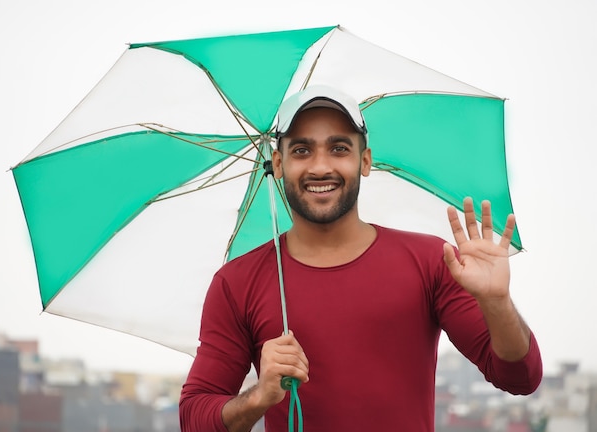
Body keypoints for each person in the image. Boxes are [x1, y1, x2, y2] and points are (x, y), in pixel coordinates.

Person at [179, 85, 542, 432]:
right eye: (302, 150)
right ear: (277, 162)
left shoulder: (432, 261)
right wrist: (258, 397)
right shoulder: (237, 283)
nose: (320, 167)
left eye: (339, 149)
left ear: (365, 161)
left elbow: (520, 377)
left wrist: (497, 303)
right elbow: (194, 419)